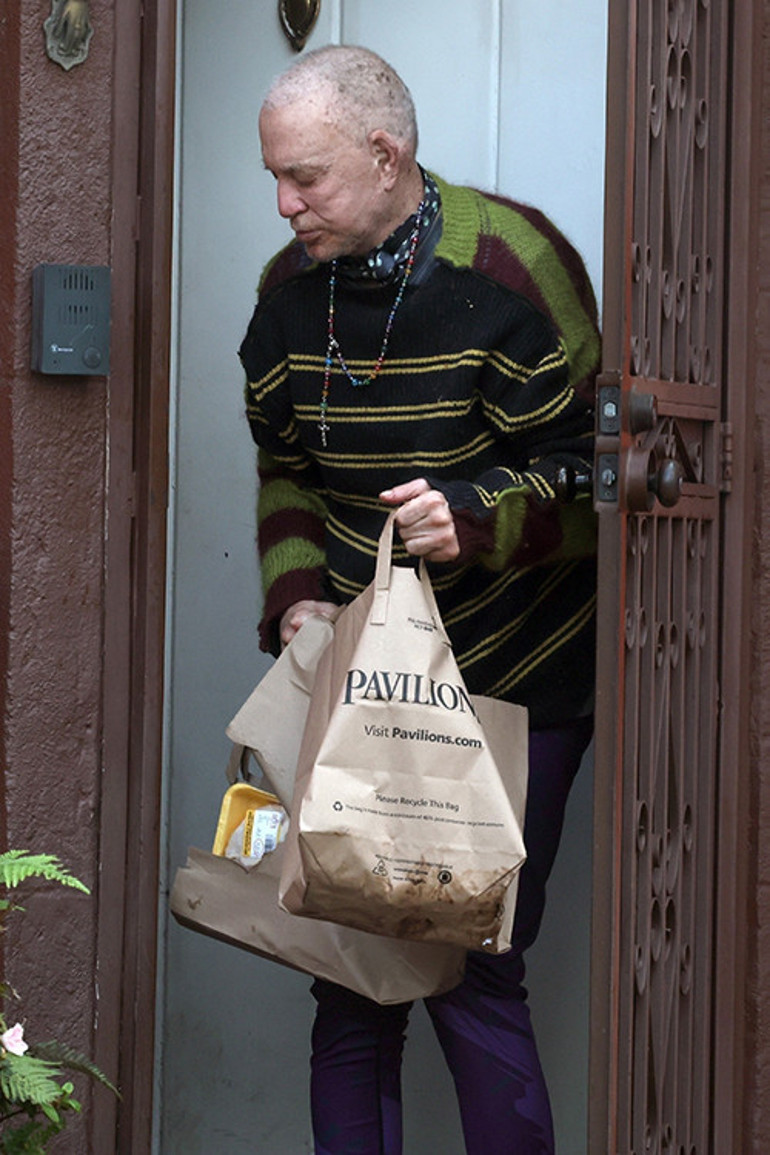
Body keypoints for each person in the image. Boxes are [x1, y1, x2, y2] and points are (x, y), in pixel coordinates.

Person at [239, 44, 600, 1155]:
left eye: (305, 178)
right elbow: (286, 469)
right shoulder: (286, 294)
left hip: (509, 681)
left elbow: (597, 475)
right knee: (347, 978)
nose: (286, 204)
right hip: (359, 681)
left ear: (384, 153)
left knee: (467, 969)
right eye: (275, 181)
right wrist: (298, 601)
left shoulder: (515, 265)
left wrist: (474, 516)